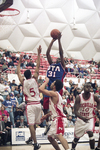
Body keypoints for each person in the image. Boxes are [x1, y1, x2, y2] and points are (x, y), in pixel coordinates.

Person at [17, 45, 42, 150]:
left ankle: (35, 143)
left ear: (24, 75)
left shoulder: (23, 82)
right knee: (34, 125)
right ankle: (32, 138)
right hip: (38, 104)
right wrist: (39, 54)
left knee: (31, 124)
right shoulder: (35, 79)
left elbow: (18, 71)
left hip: (31, 105)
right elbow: (38, 66)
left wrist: (19, 61)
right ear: (31, 75)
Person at [43, 33, 68, 134]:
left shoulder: (62, 66)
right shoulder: (52, 64)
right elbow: (47, 53)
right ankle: (48, 123)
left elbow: (61, 53)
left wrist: (59, 40)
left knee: (56, 109)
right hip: (48, 88)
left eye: (60, 58)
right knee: (45, 108)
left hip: (57, 90)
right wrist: (52, 41)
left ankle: (58, 125)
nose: (58, 58)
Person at [39, 77, 70, 150]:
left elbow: (40, 89)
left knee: (59, 135)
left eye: (53, 82)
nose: (51, 83)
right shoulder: (55, 95)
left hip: (59, 118)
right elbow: (55, 110)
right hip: (56, 118)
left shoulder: (54, 94)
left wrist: (46, 81)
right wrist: (46, 115)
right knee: (50, 138)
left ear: (54, 86)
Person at [71, 83, 100, 150]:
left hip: (90, 118)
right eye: (87, 87)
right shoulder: (79, 97)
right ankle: (72, 148)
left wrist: (97, 109)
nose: (88, 88)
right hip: (81, 119)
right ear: (83, 88)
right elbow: (75, 112)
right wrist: (82, 118)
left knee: (90, 133)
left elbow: (99, 102)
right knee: (76, 138)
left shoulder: (94, 96)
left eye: (89, 87)